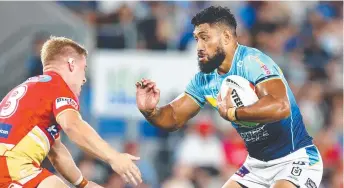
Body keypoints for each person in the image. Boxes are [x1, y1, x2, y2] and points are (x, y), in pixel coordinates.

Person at [136, 6, 323, 188]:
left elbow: (281, 107)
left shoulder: (252, 62)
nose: (199, 46)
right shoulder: (204, 80)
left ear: (226, 37)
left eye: (205, 38)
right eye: (196, 39)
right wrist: (151, 111)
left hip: (296, 159)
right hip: (256, 166)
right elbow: (174, 118)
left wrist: (234, 113)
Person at [0, 36, 142, 188]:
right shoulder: (58, 86)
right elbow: (73, 125)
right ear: (71, 64)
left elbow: (57, 153)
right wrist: (114, 157)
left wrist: (83, 184)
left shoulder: (34, 88)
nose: (84, 79)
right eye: (84, 69)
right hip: (12, 167)